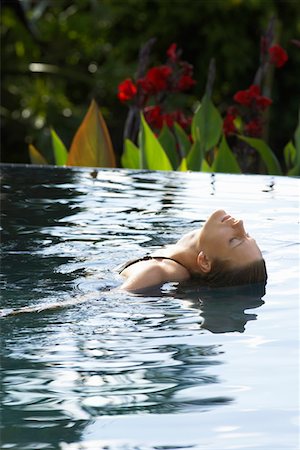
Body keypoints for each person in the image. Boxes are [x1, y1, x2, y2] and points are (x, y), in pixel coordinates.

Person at [118, 209, 267, 292]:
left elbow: (115, 299)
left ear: (205, 261)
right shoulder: (185, 249)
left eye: (233, 240)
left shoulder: (157, 270)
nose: (240, 224)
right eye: (247, 235)